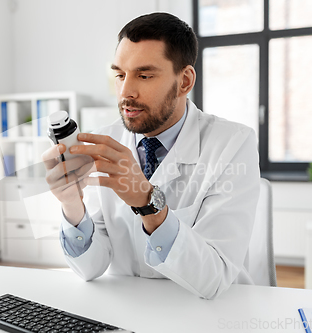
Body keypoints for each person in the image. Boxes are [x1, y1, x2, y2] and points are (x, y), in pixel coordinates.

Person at [42, 12, 260, 300]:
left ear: (184, 81)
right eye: (120, 75)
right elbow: (91, 268)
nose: (125, 92)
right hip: (130, 310)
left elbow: (213, 279)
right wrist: (72, 204)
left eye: (144, 75)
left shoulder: (233, 144)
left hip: (207, 314)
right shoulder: (108, 142)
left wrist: (148, 203)